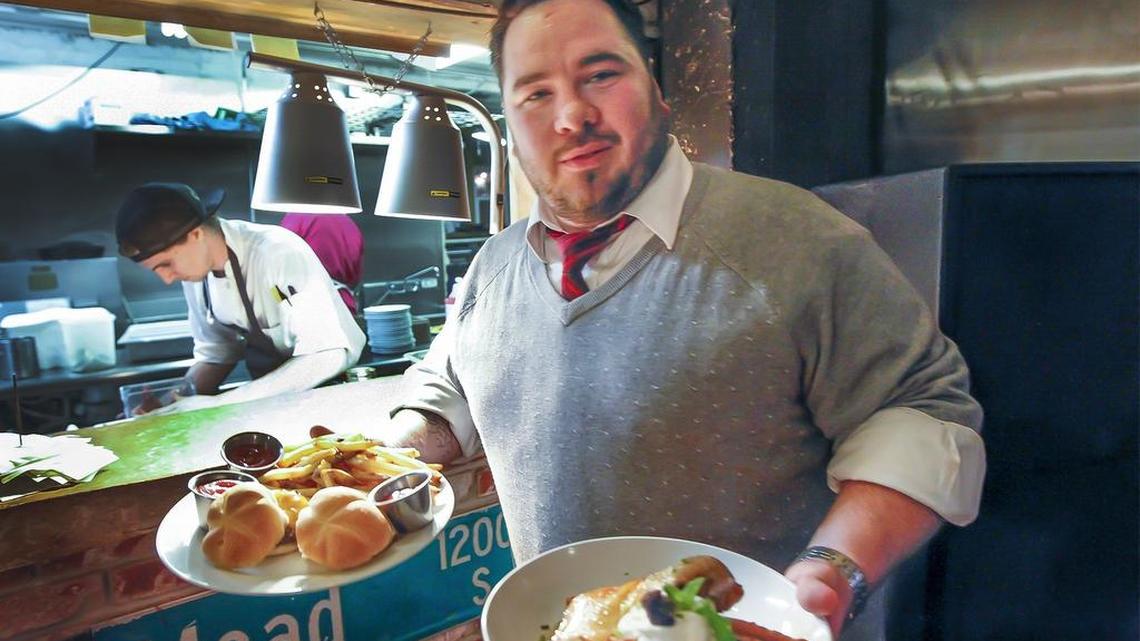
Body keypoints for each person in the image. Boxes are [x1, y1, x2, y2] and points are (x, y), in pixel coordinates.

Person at [382, 1, 986, 637]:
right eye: (536, 93)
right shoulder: (492, 265)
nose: (571, 116)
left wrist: (837, 567)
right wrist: (384, 458)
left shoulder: (800, 237)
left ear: (657, 89)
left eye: (601, 75)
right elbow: (447, 386)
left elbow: (924, 409)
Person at [115, 183, 366, 412]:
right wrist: (168, 404)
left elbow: (326, 355)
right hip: (273, 405)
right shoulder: (196, 276)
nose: (167, 278)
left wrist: (221, 402)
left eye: (166, 264)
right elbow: (217, 354)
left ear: (196, 235)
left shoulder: (276, 252)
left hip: (330, 396)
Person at [280, 213, 364, 314]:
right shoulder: (349, 223)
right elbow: (355, 278)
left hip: (309, 310)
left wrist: (279, 302)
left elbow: (277, 268)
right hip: (345, 309)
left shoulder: (296, 217)